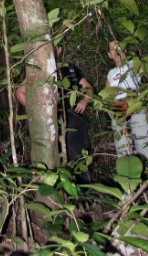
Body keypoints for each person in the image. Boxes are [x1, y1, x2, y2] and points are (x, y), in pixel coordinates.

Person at [15, 45, 93, 179]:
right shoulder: (39, 69)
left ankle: (82, 191)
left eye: (54, 47)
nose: (51, 51)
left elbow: (88, 87)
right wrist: (37, 110)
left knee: (78, 157)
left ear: (59, 49)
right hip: (48, 121)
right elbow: (20, 92)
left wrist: (84, 101)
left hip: (72, 119)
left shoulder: (69, 68)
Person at [105, 39, 148, 170]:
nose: (116, 50)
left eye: (118, 47)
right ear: (109, 54)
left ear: (124, 51)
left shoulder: (132, 65)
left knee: (143, 137)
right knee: (122, 144)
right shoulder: (111, 74)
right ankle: (129, 181)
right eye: (113, 48)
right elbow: (105, 96)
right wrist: (112, 97)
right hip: (118, 109)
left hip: (135, 104)